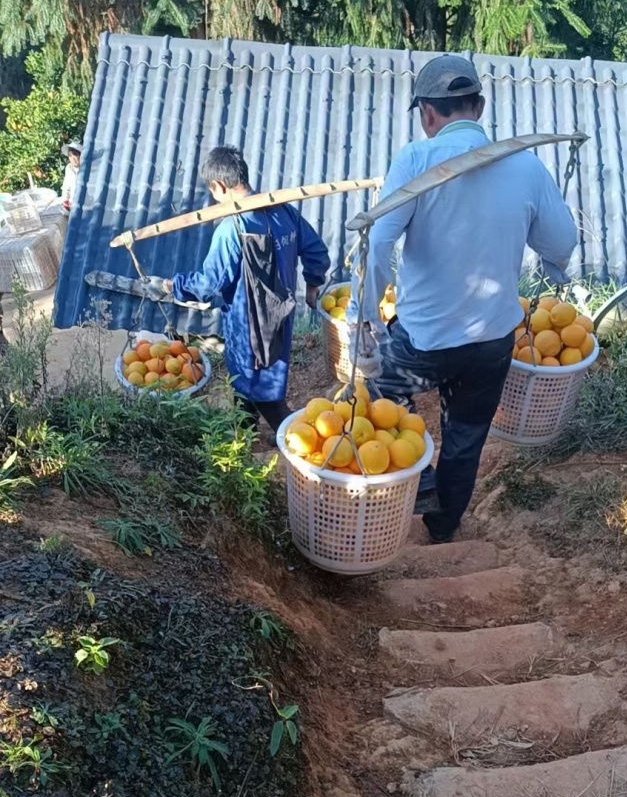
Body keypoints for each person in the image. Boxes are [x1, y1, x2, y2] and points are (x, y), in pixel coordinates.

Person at [349, 53, 577, 544]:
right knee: (466, 436)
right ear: (479, 105)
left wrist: (364, 317)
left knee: (379, 397)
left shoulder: (416, 160)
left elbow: (380, 240)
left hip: (422, 340)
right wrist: (551, 265)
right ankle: (444, 525)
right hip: (492, 340)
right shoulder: (525, 165)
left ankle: (421, 487)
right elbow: (561, 242)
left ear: (427, 114)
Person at [169, 146, 330, 431]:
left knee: (265, 393)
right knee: (252, 383)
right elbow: (316, 250)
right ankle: (246, 433)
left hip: (250, 327)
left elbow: (209, 283)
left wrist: (177, 286)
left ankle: (294, 437)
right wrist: (313, 285)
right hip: (282, 313)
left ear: (219, 186)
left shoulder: (232, 228)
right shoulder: (282, 209)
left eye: (212, 191)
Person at [60, 140, 82, 209]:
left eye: (75, 155)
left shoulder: (87, 169)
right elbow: (66, 187)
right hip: (72, 205)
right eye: (70, 156)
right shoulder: (68, 168)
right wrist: (65, 200)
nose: (73, 158)